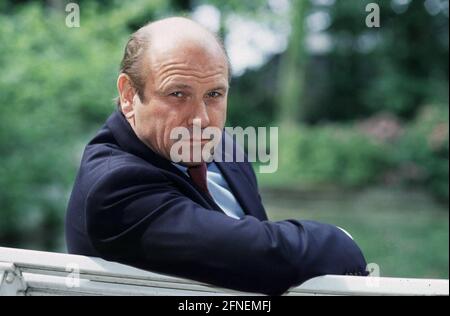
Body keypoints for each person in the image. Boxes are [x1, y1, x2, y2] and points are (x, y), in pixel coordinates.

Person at [65, 17, 367, 295]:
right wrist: (341, 239)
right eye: (177, 94)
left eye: (214, 95)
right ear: (130, 95)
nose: (201, 119)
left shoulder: (224, 149)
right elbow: (266, 257)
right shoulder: (114, 189)